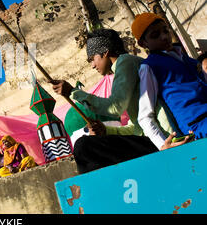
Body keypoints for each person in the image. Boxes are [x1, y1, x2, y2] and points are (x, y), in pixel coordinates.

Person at [52, 28, 173, 173]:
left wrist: (73, 92)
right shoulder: (128, 66)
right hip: (152, 139)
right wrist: (106, 130)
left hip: (163, 138)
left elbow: (115, 107)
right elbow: (136, 129)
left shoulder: (125, 61)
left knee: (83, 146)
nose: (92, 65)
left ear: (105, 52)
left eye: (93, 59)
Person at [132, 13, 206, 146]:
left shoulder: (187, 59)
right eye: (155, 35)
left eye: (165, 31)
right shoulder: (149, 67)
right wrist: (162, 145)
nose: (164, 37)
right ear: (143, 43)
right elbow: (144, 116)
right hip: (198, 127)